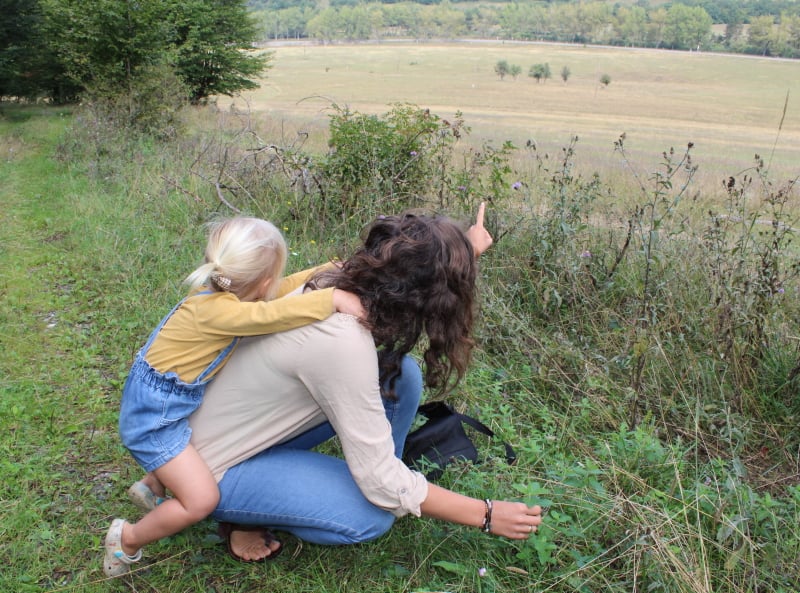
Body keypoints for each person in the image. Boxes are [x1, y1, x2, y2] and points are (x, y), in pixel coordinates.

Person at [188, 204, 542, 563]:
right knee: (371, 513)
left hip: (243, 427)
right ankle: (239, 515)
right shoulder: (342, 342)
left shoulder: (338, 280)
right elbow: (380, 485)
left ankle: (377, 472)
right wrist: (485, 513)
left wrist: (464, 250)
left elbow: (419, 270)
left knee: (399, 374)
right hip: (208, 469)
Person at [103, 216, 364, 577]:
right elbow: (272, 312)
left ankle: (155, 483)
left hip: (167, 406)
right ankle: (128, 538)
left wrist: (325, 270)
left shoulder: (213, 294)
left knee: (203, 443)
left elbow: (278, 292)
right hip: (154, 421)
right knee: (200, 501)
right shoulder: (222, 312)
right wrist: (331, 298)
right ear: (263, 282)